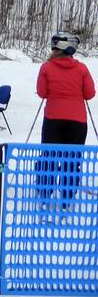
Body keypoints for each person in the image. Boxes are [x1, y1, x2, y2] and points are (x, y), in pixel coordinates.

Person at [35, 31, 94, 204]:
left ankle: (45, 194)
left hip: (53, 119)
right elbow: (90, 94)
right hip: (77, 121)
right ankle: (67, 198)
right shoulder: (82, 69)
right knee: (72, 159)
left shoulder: (46, 67)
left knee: (49, 157)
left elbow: (42, 92)